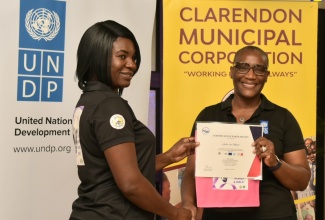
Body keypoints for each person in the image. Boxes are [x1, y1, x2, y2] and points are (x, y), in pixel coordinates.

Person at [69, 20, 199, 220]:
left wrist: (168, 157)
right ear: (97, 57)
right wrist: (175, 213)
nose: (132, 64)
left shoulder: (89, 100)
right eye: (122, 56)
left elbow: (111, 172)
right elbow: (130, 183)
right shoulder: (109, 105)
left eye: (134, 57)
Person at [181, 46, 311, 220]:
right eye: (243, 67)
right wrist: (188, 203)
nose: (250, 75)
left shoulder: (283, 118)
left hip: (273, 215)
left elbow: (302, 181)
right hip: (218, 215)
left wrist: (274, 162)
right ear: (232, 72)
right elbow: (191, 171)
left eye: (259, 69)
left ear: (266, 76)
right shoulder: (209, 116)